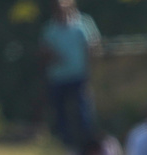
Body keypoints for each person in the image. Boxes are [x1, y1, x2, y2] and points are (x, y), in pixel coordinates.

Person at [39, 0, 101, 147]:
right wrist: (52, 56)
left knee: (83, 109)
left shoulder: (83, 23)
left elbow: (94, 46)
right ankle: (65, 142)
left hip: (79, 75)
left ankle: (87, 141)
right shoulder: (50, 29)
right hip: (58, 77)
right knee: (60, 111)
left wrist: (92, 68)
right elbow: (43, 51)